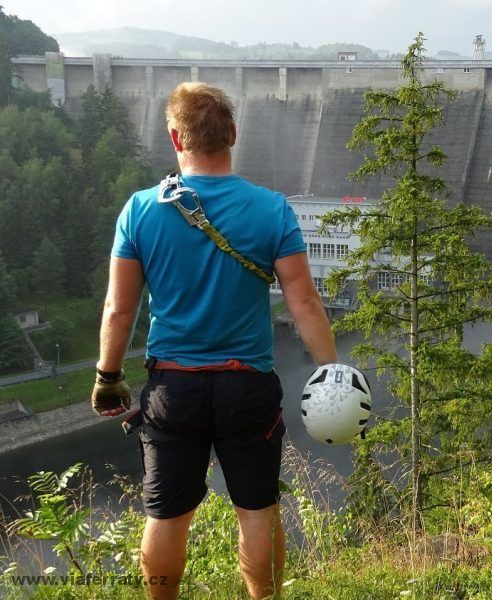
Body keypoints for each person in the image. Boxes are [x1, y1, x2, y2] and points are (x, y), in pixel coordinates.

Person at [91, 81, 337, 600]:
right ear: (232, 134)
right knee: (257, 509)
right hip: (247, 388)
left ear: (176, 140)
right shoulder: (271, 209)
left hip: (172, 391)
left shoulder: (140, 209)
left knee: (166, 515)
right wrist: (330, 369)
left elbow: (120, 308)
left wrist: (107, 377)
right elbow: (305, 303)